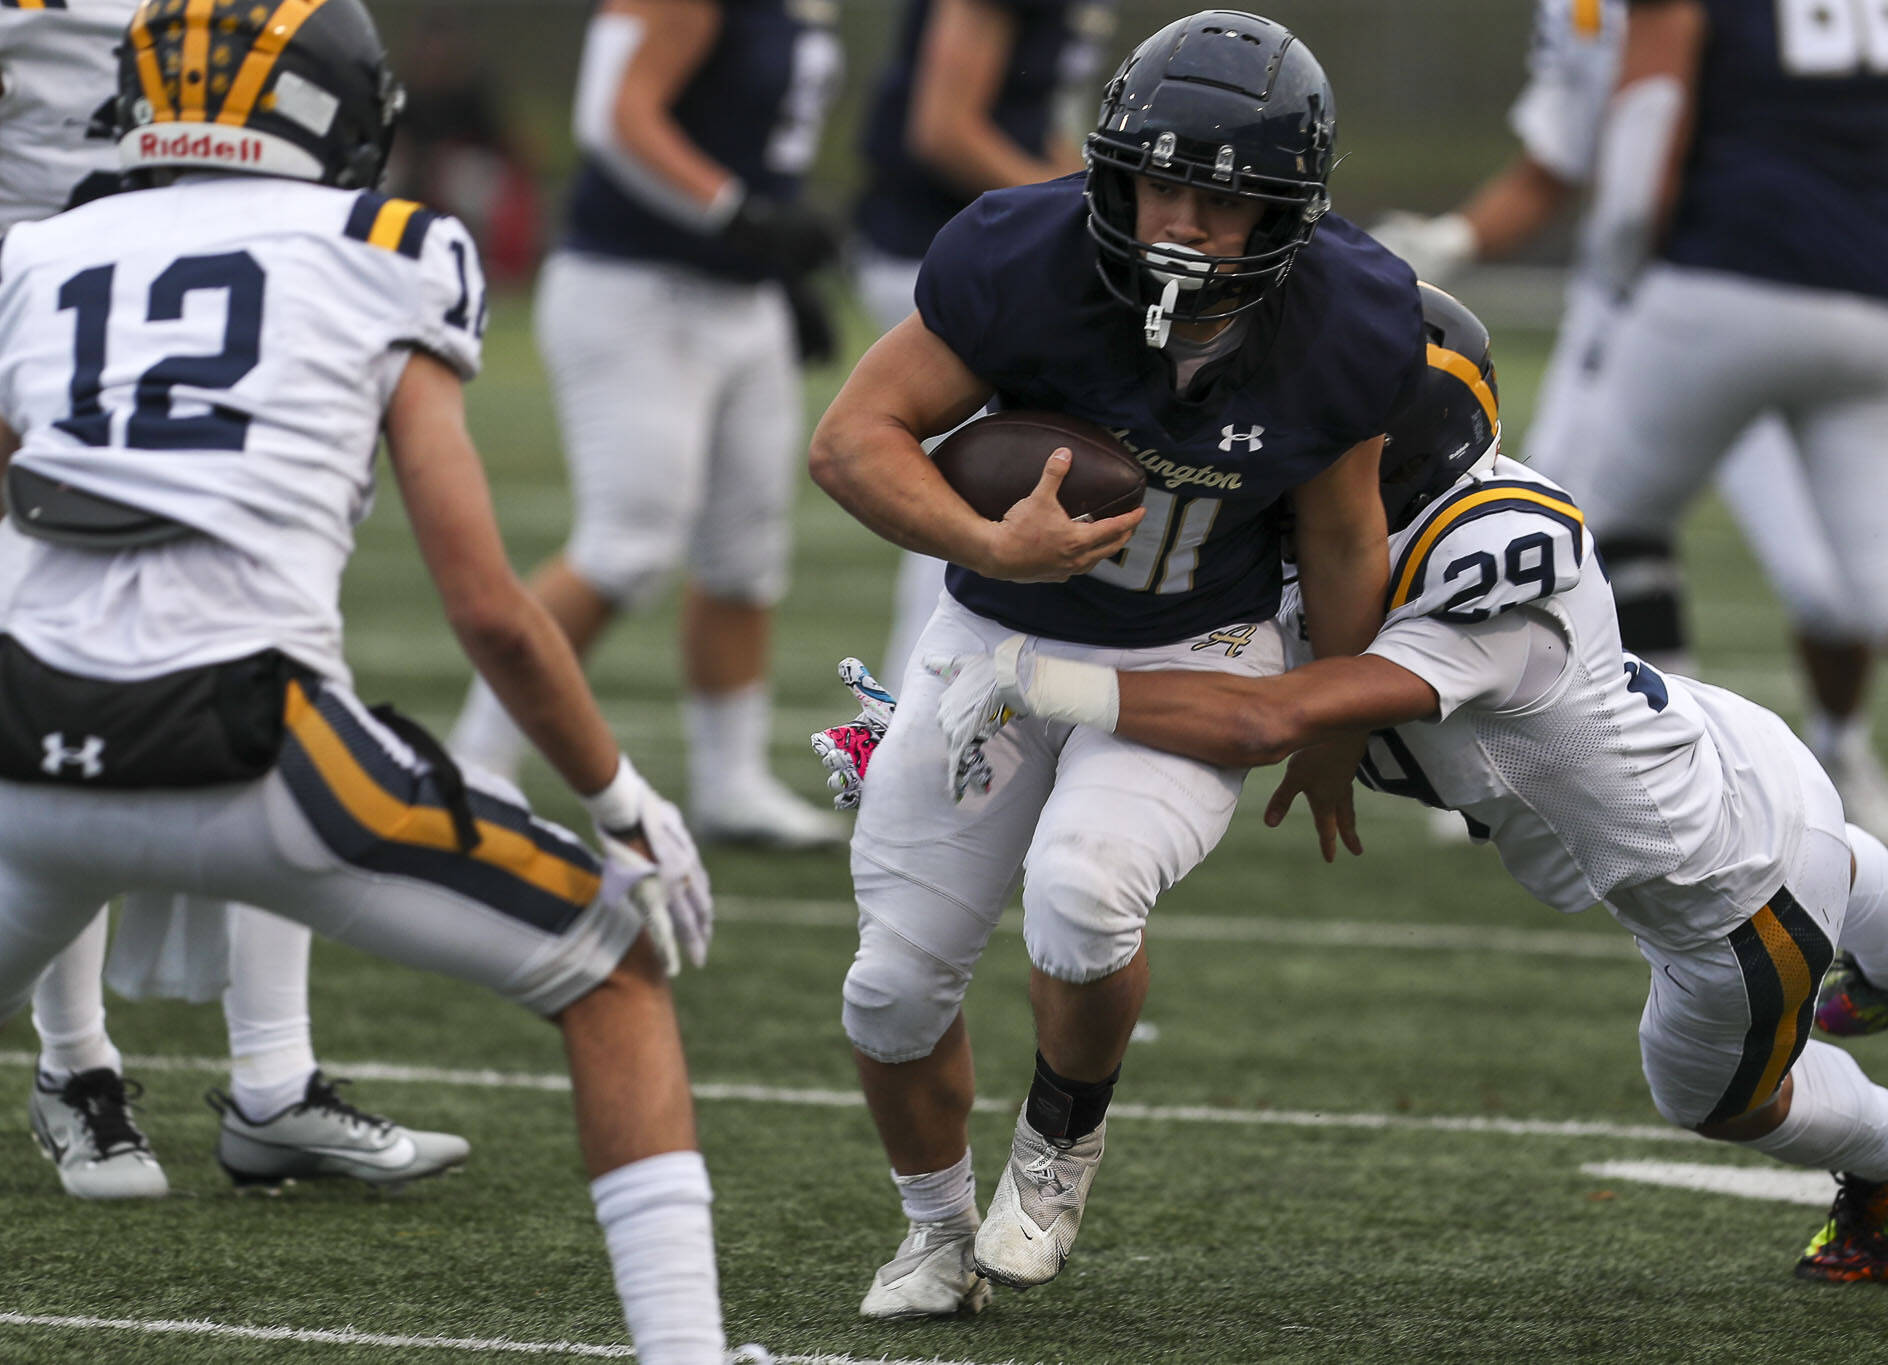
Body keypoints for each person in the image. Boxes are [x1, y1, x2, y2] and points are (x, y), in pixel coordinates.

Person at [929, 285, 1888, 1285]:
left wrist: (1033, 678)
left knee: (1716, 1098)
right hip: (1737, 756)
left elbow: (1264, 716)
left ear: (1387, 445)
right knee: (1826, 844)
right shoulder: (1396, 517)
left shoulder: (1487, 567)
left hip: (1728, 898)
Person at [0, 4, 745, 1359]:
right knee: (621, 972)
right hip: (256, 756)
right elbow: (492, 613)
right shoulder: (387, 249)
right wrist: (623, 796)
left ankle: (168, 1072)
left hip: (23, 765)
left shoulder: (36, 251)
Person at [809, 10, 1421, 1316]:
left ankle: (1058, 1146)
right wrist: (990, 538)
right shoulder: (1021, 257)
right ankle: (933, 1232)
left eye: (1221, 199)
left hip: (1199, 651)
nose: (1181, 222)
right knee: (889, 982)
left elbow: (1343, 531)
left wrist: (1328, 728)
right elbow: (852, 437)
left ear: (1286, 213)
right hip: (997, 646)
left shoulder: (1351, 316)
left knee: (1083, 891)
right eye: (1161, 182)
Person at [0, 0, 464, 1201]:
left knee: (266, 661)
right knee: (69, 670)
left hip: (215, 293)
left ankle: (273, 1083)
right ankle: (75, 1067)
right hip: (55, 306)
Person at [1371, 0, 1888, 851]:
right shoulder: (1582, 12)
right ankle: (1567, 765)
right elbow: (1560, 161)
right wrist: (1455, 239)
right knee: (1539, 534)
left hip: (1740, 288)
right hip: (1656, 307)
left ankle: (1836, 751)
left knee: (1827, 586)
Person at [1559, 0, 1888, 847]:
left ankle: (1685, 796)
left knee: (1585, 523)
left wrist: (1622, 280)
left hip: (1730, 274)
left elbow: (1644, 151)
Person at [447, 0, 847, 849]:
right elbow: (611, 113)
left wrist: (772, 259)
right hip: (634, 287)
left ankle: (731, 783)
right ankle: (476, 759)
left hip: (739, 296)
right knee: (628, 542)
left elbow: (742, 130)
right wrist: (738, 215)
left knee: (746, 548)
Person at [850, 0, 1120, 694]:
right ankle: (910, 716)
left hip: (998, 252)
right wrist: (1089, 231)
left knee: (993, 495)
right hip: (944, 255)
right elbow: (944, 128)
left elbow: (1045, 138)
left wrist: (1108, 207)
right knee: (968, 496)